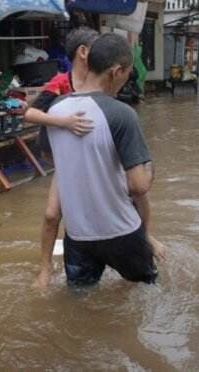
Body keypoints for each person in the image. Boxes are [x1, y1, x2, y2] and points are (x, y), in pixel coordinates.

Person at [45, 33, 166, 286]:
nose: (126, 80)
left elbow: (56, 161)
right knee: (148, 292)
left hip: (78, 235)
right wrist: (149, 166)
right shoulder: (122, 114)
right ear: (116, 71)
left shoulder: (55, 109)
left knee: (81, 302)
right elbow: (138, 186)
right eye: (128, 74)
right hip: (121, 231)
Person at [24, 28, 97, 288]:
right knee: (52, 214)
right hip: (64, 160)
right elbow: (30, 113)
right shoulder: (60, 82)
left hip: (91, 160)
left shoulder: (99, 82)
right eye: (96, 47)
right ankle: (44, 269)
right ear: (83, 52)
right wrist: (63, 122)